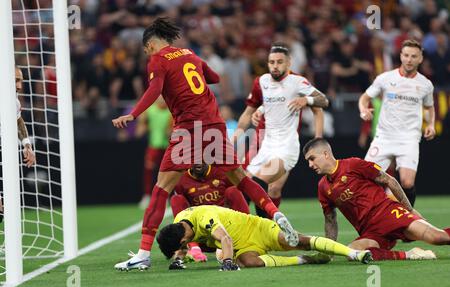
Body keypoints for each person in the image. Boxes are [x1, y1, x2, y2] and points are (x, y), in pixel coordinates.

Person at [112, 18, 296, 271]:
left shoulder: (158, 59)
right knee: (241, 179)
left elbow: (154, 89)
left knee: (161, 189)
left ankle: (143, 254)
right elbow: (215, 77)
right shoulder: (189, 54)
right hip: (215, 125)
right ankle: (276, 214)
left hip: (188, 130)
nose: (148, 54)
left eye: (147, 50)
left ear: (151, 45)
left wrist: (133, 114)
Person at [303, 138, 450, 261]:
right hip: (370, 231)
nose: (310, 165)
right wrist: (330, 250)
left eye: (312, 159)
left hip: (389, 213)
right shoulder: (322, 187)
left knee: (438, 238)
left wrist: (409, 209)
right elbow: (330, 220)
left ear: (325, 154)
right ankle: (410, 254)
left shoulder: (353, 164)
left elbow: (389, 180)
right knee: (352, 252)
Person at [234, 44, 327, 218]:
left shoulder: (297, 82)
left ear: (289, 63)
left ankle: (263, 226)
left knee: (263, 185)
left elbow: (320, 106)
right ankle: (263, 226)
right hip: (261, 141)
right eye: (271, 62)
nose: (275, 66)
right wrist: (239, 132)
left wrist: (317, 139)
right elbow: (250, 111)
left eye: (279, 62)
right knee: (255, 186)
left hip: (285, 143)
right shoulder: (261, 82)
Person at [156, 205, 373, 270]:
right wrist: (178, 259)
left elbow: (226, 240)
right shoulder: (180, 221)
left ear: (183, 240)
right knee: (250, 263)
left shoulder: (205, 219)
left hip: (258, 228)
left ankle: (354, 253)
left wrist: (228, 263)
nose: (182, 248)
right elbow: (181, 245)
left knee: (300, 241)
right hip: (244, 247)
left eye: (180, 247)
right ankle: (309, 259)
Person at [358, 39, 436, 207]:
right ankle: (373, 216)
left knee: (407, 183)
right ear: (401, 56)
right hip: (384, 137)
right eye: (406, 55)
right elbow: (365, 97)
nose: (409, 59)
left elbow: (429, 108)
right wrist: (363, 110)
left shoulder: (425, 85)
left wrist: (430, 125)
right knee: (365, 177)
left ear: (420, 59)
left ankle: (407, 219)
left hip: (409, 138)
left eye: (414, 56)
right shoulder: (385, 78)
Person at [171, 163, 250, 262]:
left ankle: (246, 237)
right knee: (176, 199)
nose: (198, 162)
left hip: (226, 230)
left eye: (201, 158)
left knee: (233, 190)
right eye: (194, 159)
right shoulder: (181, 180)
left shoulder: (222, 172)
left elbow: (242, 190)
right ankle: (193, 248)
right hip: (202, 237)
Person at [0, 67, 36, 222]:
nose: (19, 86)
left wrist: (27, 144)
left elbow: (18, 120)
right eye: (15, 80)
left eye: (21, 80)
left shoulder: (13, 102)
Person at [135, 96, 172, 209]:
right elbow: (140, 128)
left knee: (167, 173)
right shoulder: (149, 110)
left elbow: (173, 129)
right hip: (153, 146)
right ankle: (146, 196)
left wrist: (170, 131)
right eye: (159, 97)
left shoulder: (171, 111)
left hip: (167, 146)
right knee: (149, 171)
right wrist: (142, 125)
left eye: (163, 97)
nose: (161, 99)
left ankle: (165, 197)